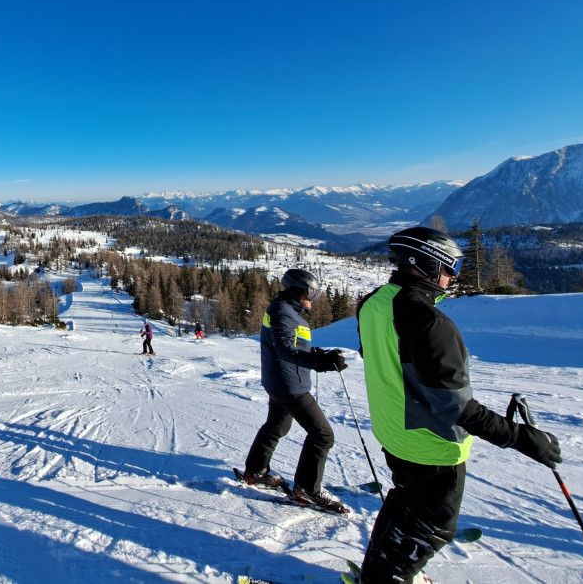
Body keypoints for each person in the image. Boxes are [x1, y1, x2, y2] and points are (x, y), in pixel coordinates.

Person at [356, 227, 562, 583]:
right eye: (451, 266)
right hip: (430, 444)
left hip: (393, 431)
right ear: (425, 264)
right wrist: (522, 438)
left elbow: (375, 357)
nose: (454, 275)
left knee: (406, 501)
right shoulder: (429, 321)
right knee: (434, 524)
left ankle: (378, 569)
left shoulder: (374, 302)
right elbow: (457, 408)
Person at [239, 268, 350, 512]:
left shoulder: (284, 309)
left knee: (277, 426)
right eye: (311, 292)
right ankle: (307, 491)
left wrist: (316, 354)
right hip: (290, 385)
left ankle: (255, 472)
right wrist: (317, 362)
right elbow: (285, 349)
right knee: (322, 435)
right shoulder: (283, 313)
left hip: (281, 381)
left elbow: (292, 345)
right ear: (296, 291)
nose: (314, 298)